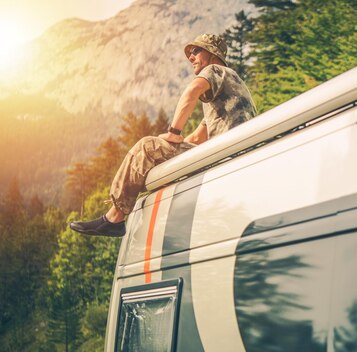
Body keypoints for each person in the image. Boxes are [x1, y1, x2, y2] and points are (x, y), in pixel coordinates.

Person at [70, 33, 257, 237]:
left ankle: (114, 218)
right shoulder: (229, 97)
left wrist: (173, 133)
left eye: (196, 51)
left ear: (213, 54)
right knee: (158, 150)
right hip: (231, 155)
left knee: (147, 147)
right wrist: (168, 151)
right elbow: (195, 139)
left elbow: (192, 91)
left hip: (223, 157)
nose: (191, 57)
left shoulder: (217, 69)